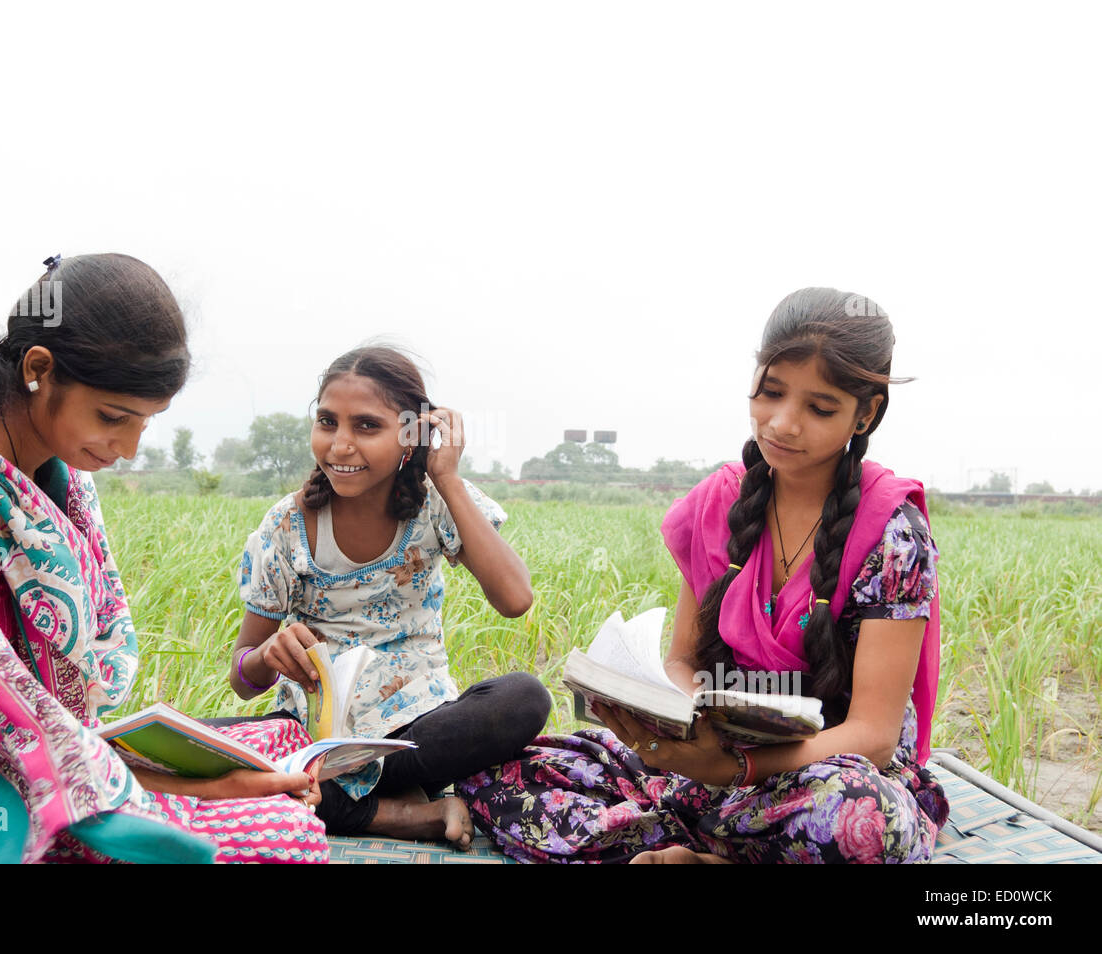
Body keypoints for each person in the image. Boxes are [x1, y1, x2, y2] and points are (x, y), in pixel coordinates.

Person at [0, 253, 328, 864]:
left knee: (283, 741)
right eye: (114, 418)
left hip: (55, 755)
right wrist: (207, 787)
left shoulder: (50, 476)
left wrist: (191, 781)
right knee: (285, 836)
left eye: (145, 423)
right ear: (39, 369)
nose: (127, 447)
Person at [457, 287, 949, 863]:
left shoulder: (893, 534)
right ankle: (709, 841)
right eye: (771, 393)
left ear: (865, 413)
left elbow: (871, 734)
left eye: (819, 408)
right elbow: (683, 661)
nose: (784, 424)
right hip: (707, 763)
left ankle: (682, 842)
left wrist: (736, 768)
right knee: (503, 772)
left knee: (862, 820)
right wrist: (681, 730)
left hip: (818, 772)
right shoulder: (719, 504)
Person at [230, 346, 552, 847]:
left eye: (365, 426)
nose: (339, 445)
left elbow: (515, 598)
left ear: (411, 435)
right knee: (172, 755)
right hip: (311, 738)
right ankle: (396, 814)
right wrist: (266, 657)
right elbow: (243, 679)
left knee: (523, 699)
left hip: (412, 734)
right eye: (327, 421)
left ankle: (329, 799)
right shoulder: (285, 526)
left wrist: (444, 475)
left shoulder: (434, 503)